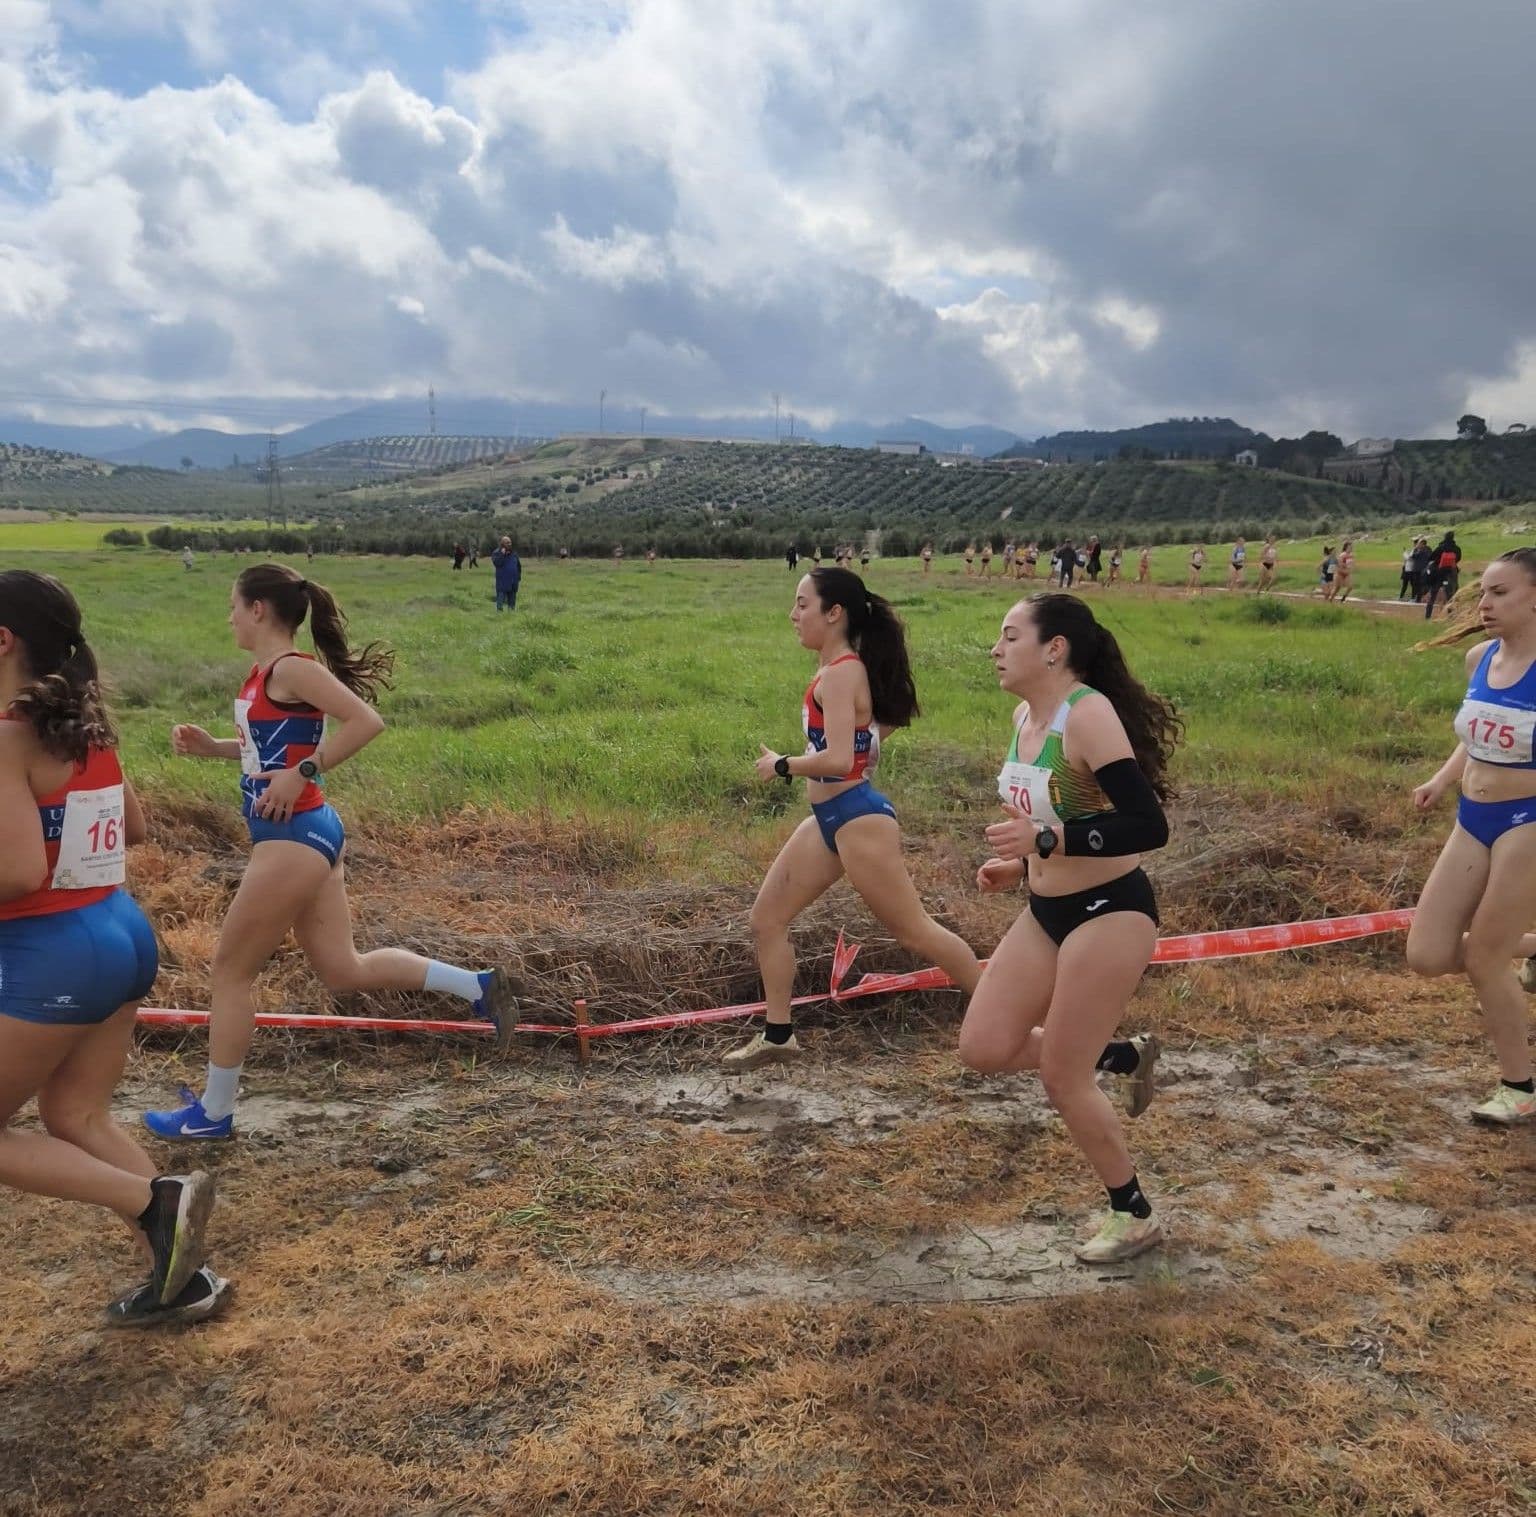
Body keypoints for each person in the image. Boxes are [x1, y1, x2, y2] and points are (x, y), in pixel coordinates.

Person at [143, 563, 519, 1141]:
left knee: (229, 973)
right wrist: (212, 748)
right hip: (307, 830)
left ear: (259, 610)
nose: (230, 616)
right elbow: (265, 752)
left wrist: (304, 771)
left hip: (294, 835)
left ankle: (213, 1115)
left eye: (233, 605)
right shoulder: (263, 673)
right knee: (344, 969)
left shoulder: (292, 669)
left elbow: (366, 721)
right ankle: (477, 986)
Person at [0, 571, 223, 1323]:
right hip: (122, 932)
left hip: (57, 950)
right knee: (78, 1115)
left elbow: (20, 870)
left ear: (2, 640)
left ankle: (155, 1201)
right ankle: (184, 1278)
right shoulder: (86, 724)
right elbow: (131, 827)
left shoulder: (8, 735)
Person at [959, 591, 1180, 1263]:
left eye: (1009, 635)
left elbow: (1148, 825)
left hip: (1111, 909)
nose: (995, 649)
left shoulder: (1088, 715)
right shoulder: (1027, 714)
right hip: (1047, 908)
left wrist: (1045, 840)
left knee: (1060, 1073)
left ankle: (1133, 1213)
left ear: (1054, 648)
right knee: (984, 1044)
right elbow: (1049, 819)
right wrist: (1019, 861)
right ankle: (1119, 1055)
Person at [726, 568, 982, 1071]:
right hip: (829, 820)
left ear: (834, 613)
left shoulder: (842, 672)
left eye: (803, 605)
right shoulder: (837, 671)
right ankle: (779, 1037)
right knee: (766, 919)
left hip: (858, 820)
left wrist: (783, 764)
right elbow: (861, 743)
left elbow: (840, 759)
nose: (793, 615)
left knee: (915, 932)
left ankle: (1005, 1011)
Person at [1407, 549, 1536, 1124]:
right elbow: (1478, 731)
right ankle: (1526, 947)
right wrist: (1440, 778)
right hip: (1471, 817)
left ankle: (1520, 1086)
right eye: (1483, 592)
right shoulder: (1478, 657)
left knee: (1485, 958)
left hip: (1527, 822)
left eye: (1500, 593)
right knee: (1427, 955)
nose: (1483, 604)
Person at [1424, 533, 1463, 619]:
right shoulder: (1456, 548)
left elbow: (1431, 557)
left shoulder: (1440, 547)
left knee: (1433, 595)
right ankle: (1451, 616)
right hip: (1449, 574)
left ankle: (1427, 616)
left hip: (1438, 574)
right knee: (1450, 596)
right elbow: (1459, 558)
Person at [492, 538, 521, 611]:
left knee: (512, 600)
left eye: (510, 543)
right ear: (502, 544)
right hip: (502, 581)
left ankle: (511, 613)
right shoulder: (496, 553)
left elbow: (518, 566)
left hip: (513, 581)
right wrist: (502, 554)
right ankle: (499, 614)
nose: (509, 544)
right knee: (500, 599)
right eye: (507, 543)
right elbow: (497, 563)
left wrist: (518, 577)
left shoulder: (514, 553)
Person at [1334, 539, 1356, 604]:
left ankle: (1343, 599)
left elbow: (1351, 563)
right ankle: (1330, 599)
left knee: (1350, 587)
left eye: (1351, 547)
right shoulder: (1342, 555)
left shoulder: (1352, 555)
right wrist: (1345, 566)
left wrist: (1351, 568)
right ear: (1346, 547)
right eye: (1349, 547)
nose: (1351, 548)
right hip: (1340, 573)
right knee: (1337, 588)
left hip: (1347, 573)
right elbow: (1339, 564)